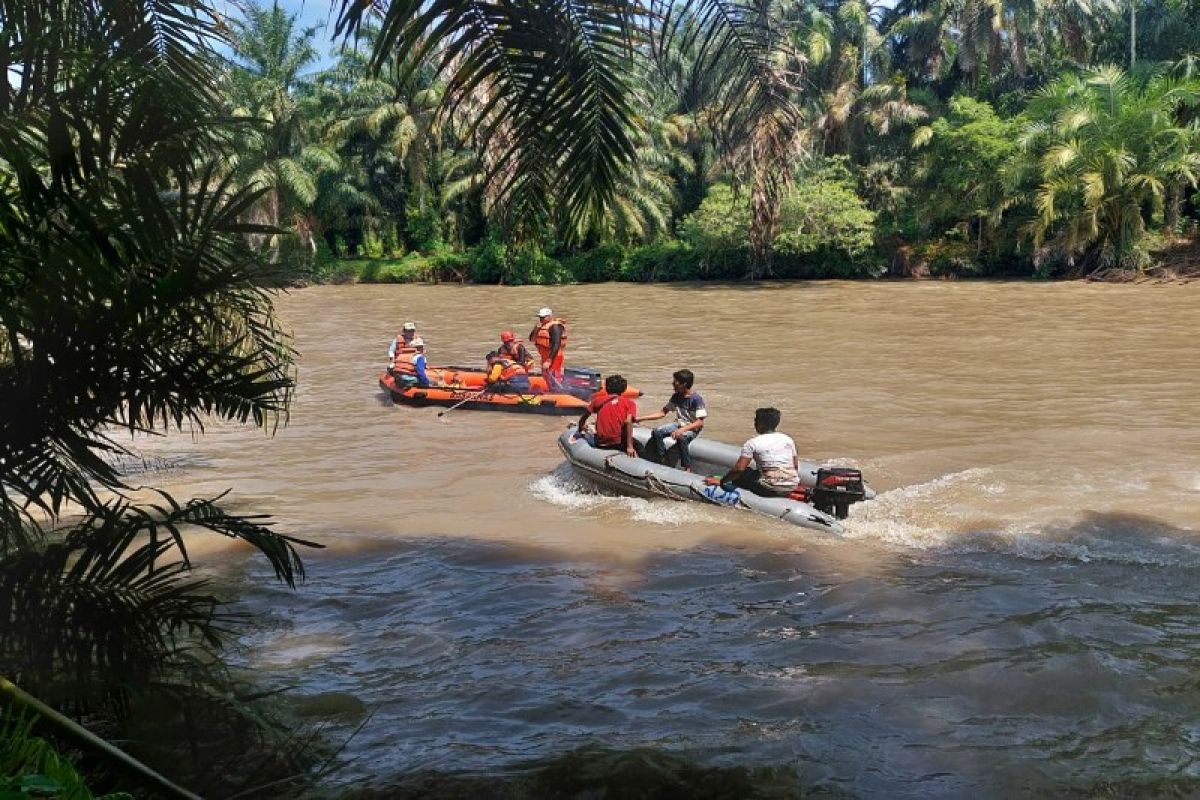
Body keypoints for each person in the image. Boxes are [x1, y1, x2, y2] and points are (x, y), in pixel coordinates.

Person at [705, 407, 799, 497]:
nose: (754, 424)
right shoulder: (788, 440)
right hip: (792, 485)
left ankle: (724, 484)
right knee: (754, 473)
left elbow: (739, 469)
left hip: (768, 488)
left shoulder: (752, 443)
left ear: (761, 424)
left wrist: (722, 482)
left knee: (745, 473)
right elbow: (795, 466)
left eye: (755, 421)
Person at [636, 369, 707, 471]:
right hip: (679, 424)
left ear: (684, 384)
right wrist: (641, 418)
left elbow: (700, 422)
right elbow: (662, 413)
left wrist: (682, 430)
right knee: (657, 432)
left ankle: (687, 467)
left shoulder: (696, 399)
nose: (673, 384)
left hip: (692, 427)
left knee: (682, 438)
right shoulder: (676, 396)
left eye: (676, 382)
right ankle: (662, 458)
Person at [575, 374, 637, 456]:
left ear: (606, 388)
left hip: (600, 443)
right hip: (618, 444)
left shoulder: (597, 401)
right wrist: (630, 446)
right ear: (624, 389)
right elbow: (628, 421)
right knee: (639, 447)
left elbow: (584, 417)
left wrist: (580, 428)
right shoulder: (630, 403)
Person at [529, 307, 567, 390]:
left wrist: (549, 361)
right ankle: (551, 389)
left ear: (549, 316)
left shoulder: (555, 327)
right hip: (544, 355)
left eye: (543, 317)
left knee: (553, 375)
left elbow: (556, 344)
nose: (541, 319)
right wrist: (536, 329)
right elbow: (531, 339)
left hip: (554, 356)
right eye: (540, 317)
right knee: (546, 375)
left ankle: (558, 392)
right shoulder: (541, 326)